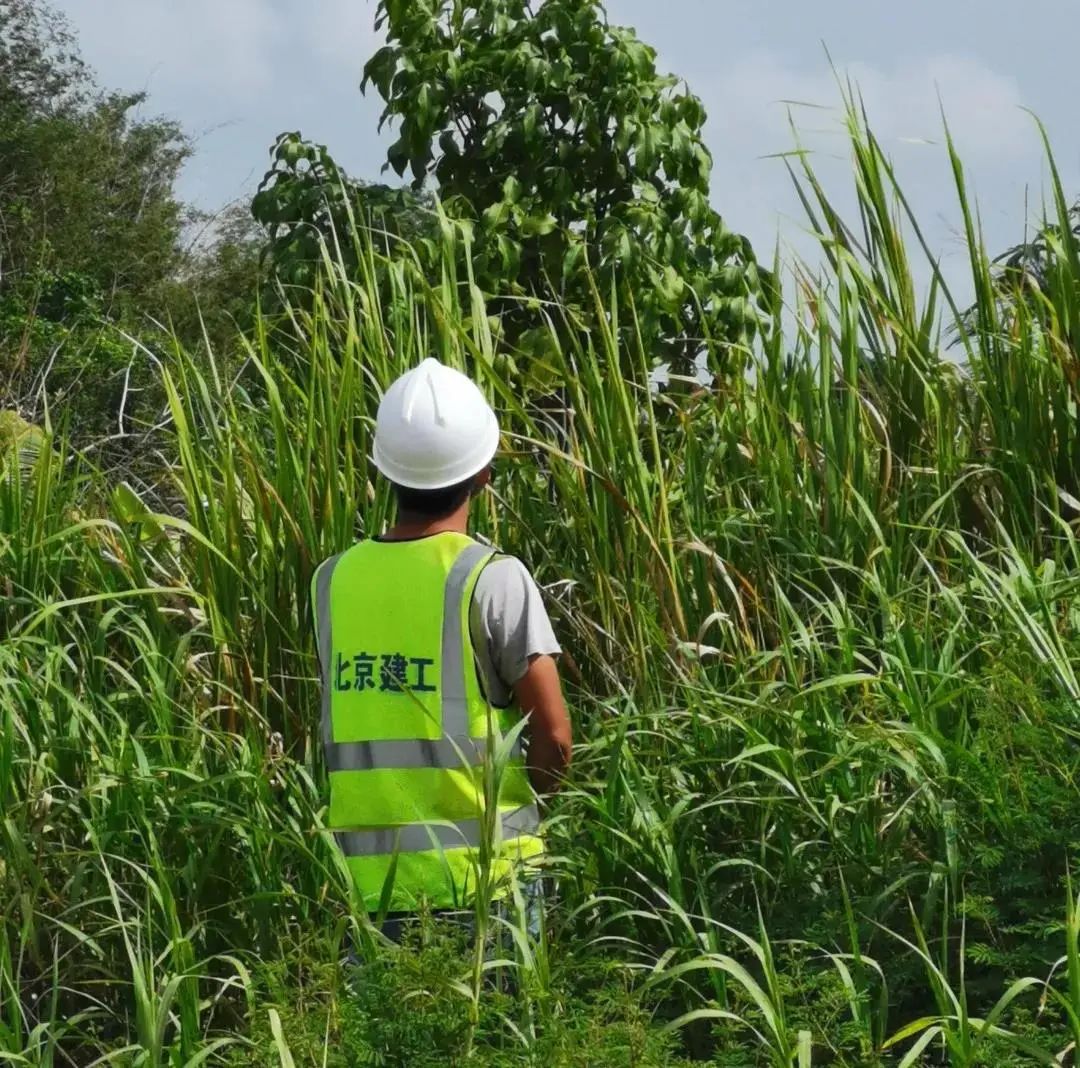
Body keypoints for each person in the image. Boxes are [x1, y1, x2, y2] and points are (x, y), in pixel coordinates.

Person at [311, 357, 572, 939]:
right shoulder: (492, 578)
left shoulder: (332, 581)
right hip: (489, 885)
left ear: (385, 471)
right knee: (505, 1033)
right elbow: (554, 736)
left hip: (370, 888)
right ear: (484, 472)